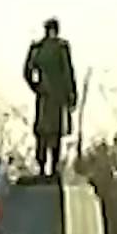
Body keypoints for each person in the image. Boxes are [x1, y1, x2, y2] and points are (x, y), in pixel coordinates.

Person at [22, 17, 77, 178]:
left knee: (46, 132)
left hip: (46, 95)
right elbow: (68, 72)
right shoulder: (59, 48)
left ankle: (46, 167)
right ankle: (48, 167)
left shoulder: (39, 48)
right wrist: (71, 94)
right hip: (53, 96)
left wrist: (36, 86)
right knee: (51, 132)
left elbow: (27, 71)